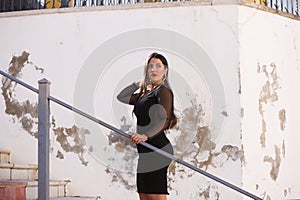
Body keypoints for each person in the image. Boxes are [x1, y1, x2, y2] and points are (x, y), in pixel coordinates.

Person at [117, 52, 177, 200]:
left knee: (154, 196)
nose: (153, 69)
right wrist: (137, 84)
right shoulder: (145, 94)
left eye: (158, 66)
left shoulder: (163, 91)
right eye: (150, 66)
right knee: (143, 195)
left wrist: (146, 135)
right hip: (144, 151)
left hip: (157, 149)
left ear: (165, 70)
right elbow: (122, 97)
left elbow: (164, 119)